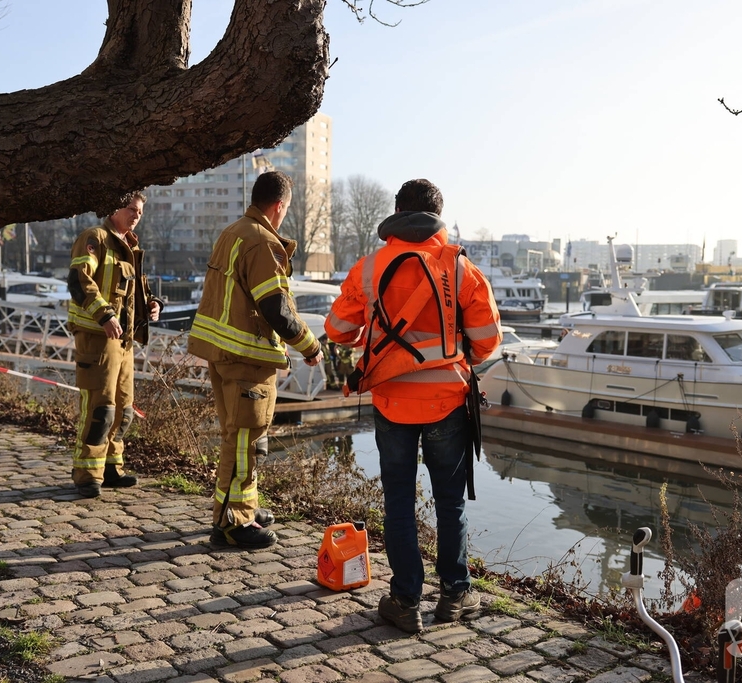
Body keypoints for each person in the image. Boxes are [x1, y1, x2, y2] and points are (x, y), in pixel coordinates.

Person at [325, 178, 501, 633]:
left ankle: (405, 601)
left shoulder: (370, 267)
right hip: (447, 401)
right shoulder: (459, 267)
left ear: (396, 213)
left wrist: (373, 333)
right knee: (450, 503)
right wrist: (458, 355)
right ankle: (454, 596)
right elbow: (487, 341)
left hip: (392, 401)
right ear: (438, 215)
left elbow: (339, 329)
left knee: (399, 503)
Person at [187, 171, 323, 550]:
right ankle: (233, 523)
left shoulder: (233, 232)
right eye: (287, 209)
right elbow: (276, 307)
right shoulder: (264, 242)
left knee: (238, 437)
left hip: (223, 353)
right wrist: (310, 346)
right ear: (279, 206)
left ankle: (242, 505)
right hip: (248, 359)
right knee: (246, 442)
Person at [67, 191, 163, 498]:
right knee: (100, 408)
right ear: (114, 208)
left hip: (123, 341)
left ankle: (111, 467)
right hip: (98, 337)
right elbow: (79, 282)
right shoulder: (95, 238)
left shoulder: (130, 246)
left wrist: (152, 304)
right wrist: (104, 314)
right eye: (131, 209)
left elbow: (130, 292)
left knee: (124, 409)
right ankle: (87, 473)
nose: (136, 215)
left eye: (139, 211)